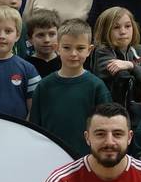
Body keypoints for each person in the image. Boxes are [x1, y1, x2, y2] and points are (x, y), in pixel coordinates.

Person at [28, 19, 109, 159]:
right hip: (49, 157)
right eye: (67, 47)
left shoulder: (96, 86)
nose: (73, 53)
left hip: (86, 159)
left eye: (80, 48)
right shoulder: (44, 86)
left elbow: (106, 125)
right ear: (57, 48)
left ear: (89, 50)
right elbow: (35, 127)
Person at [90, 6, 141, 109]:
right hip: (108, 111)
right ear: (105, 30)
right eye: (116, 27)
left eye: (128, 26)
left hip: (137, 112)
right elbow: (122, 77)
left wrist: (131, 65)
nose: (123, 31)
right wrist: (140, 74)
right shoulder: (102, 51)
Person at [23, 10, 61, 78]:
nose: (47, 40)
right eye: (40, 35)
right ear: (30, 39)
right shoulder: (24, 65)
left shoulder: (66, 63)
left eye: (52, 34)